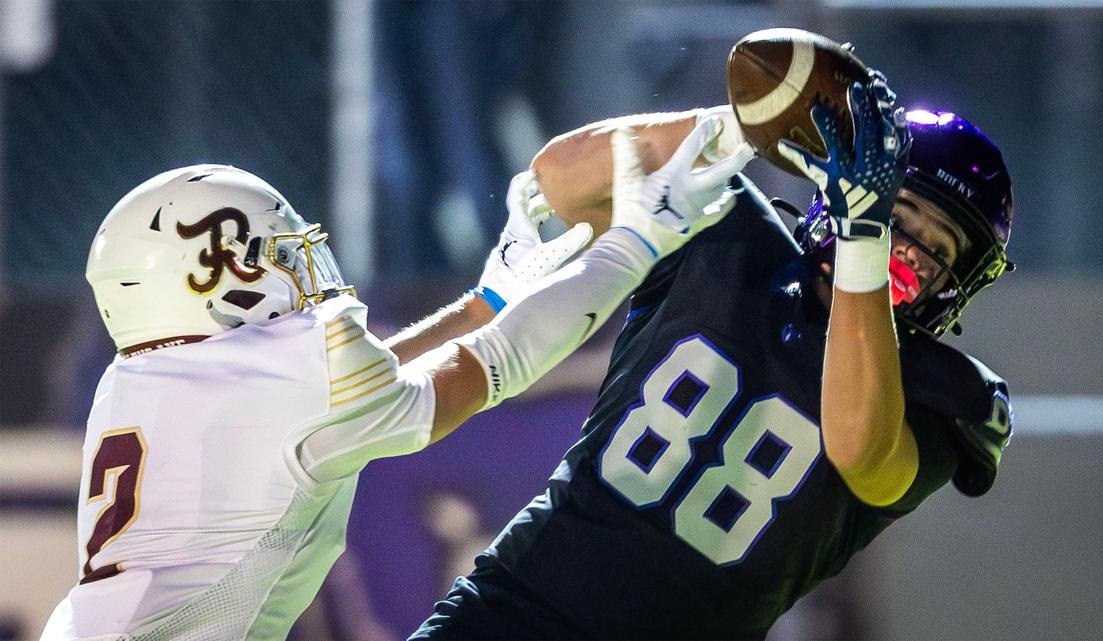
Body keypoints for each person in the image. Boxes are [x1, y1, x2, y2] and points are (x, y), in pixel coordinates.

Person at [40, 120, 753, 641]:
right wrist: (637, 242)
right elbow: (493, 368)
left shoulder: (140, 377)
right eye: (276, 255)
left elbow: (363, 385)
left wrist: (487, 300)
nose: (301, 269)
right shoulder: (279, 376)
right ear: (219, 278)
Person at [412, 77, 1015, 639]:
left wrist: (866, 235)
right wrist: (741, 125)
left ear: (960, 281)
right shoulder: (730, 229)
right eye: (895, 215)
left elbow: (859, 448)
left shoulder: (943, 398)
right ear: (836, 189)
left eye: (935, 247)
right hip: (516, 605)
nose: (903, 248)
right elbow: (560, 180)